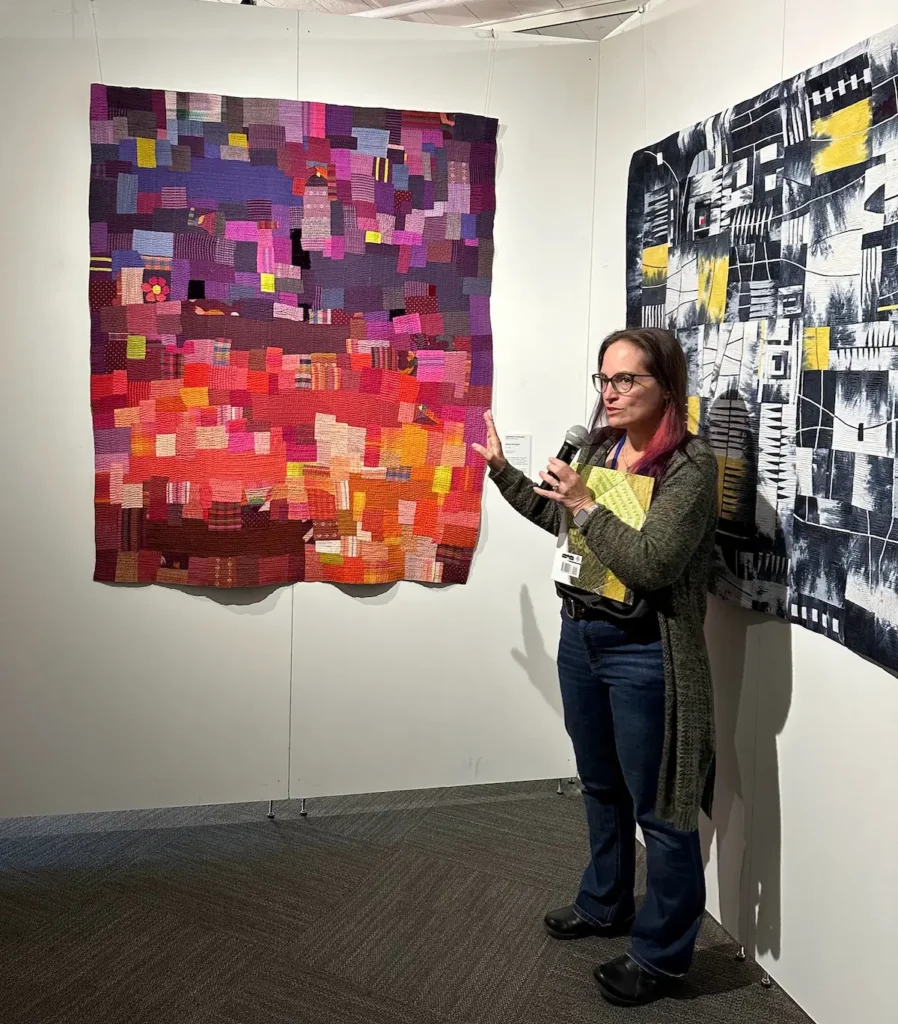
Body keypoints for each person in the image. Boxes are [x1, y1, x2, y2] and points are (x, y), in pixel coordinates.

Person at [472, 327, 718, 1008]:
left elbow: (651, 564)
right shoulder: (596, 446)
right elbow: (555, 521)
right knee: (599, 785)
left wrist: (586, 501)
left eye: (626, 380)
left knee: (662, 810)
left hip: (646, 652)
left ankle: (664, 957)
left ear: (665, 384)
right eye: (602, 380)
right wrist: (503, 470)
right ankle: (606, 902)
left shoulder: (690, 470)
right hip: (581, 637)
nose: (609, 393)